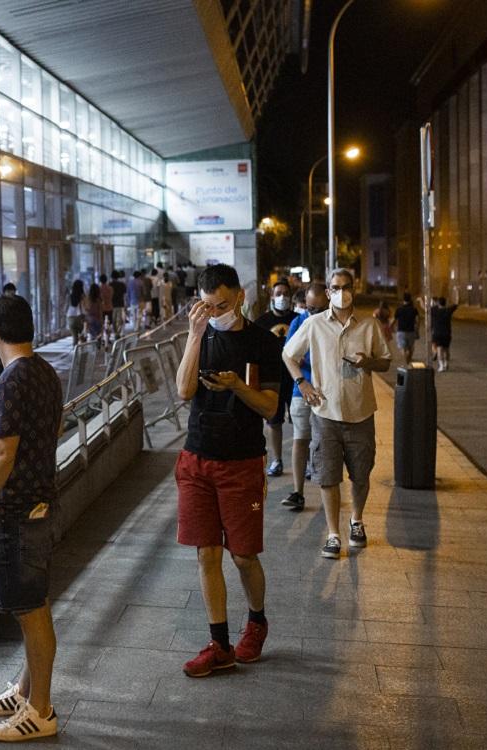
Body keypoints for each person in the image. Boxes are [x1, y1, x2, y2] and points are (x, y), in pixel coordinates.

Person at [172, 263, 280, 678]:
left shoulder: (260, 342)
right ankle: (219, 644)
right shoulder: (200, 335)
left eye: (221, 303)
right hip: (197, 457)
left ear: (239, 296)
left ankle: (256, 620)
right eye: (206, 305)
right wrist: (195, 336)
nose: (215, 311)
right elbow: (184, 390)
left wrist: (237, 385)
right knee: (206, 553)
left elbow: (270, 408)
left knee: (243, 555)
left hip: (242, 462)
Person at [0, 294, 64, 741]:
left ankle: (41, 711)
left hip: (15, 511)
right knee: (36, 604)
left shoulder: (10, 382)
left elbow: (3, 449)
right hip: (42, 502)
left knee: (31, 611)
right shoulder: (45, 372)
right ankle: (27, 692)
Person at [282, 269, 391, 560]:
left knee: (361, 474)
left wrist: (369, 361)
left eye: (346, 286)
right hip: (325, 413)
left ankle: (356, 520)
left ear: (353, 289)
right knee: (328, 476)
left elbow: (386, 362)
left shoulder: (369, 325)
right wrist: (301, 383)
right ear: (328, 292)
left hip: (360, 412)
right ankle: (333, 534)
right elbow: (288, 354)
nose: (341, 291)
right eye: (335, 287)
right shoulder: (314, 324)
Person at [281, 282, 328, 512]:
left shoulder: (333, 324)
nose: (313, 314)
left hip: (327, 393)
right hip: (301, 391)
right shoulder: (299, 323)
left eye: (318, 310)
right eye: (310, 309)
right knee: (300, 439)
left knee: (324, 444)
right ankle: (298, 492)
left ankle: (327, 492)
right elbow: (290, 356)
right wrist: (302, 379)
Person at [253, 280, 297, 477]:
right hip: (272, 380)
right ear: (272, 296)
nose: (282, 297)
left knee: (301, 423)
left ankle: (304, 462)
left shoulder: (300, 320)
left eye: (286, 293)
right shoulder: (262, 323)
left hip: (296, 379)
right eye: (278, 293)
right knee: (274, 421)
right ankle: (277, 460)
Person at [429, 297, 458, 372]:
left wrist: (421, 301)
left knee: (439, 349)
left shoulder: (434, 310)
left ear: (438, 303)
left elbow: (425, 308)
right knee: (446, 350)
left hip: (437, 333)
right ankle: (446, 363)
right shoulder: (448, 310)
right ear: (445, 303)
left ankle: (441, 365)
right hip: (446, 333)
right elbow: (456, 304)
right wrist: (457, 294)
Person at [393, 293, 420, 365]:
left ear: (403, 300)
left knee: (402, 348)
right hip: (411, 331)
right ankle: (408, 359)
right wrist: (417, 330)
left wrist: (391, 327)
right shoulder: (414, 310)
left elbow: (394, 320)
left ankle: (406, 361)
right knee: (411, 347)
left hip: (401, 331)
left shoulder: (399, 309)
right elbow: (417, 321)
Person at [66, 280, 85, 345]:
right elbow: (84, 307)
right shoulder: (82, 296)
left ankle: (75, 352)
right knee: (83, 337)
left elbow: (66, 306)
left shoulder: (70, 296)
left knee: (75, 338)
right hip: (79, 317)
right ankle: (82, 353)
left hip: (70, 317)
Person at [97, 274, 114, 340]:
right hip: (110, 307)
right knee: (109, 323)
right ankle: (108, 337)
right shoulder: (110, 288)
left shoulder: (99, 288)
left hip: (102, 308)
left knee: (102, 324)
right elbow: (111, 297)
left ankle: (103, 337)